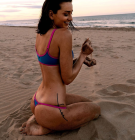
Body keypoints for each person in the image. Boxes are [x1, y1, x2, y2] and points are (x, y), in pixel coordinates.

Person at [20, 0, 101, 136]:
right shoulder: (63, 34)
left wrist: (79, 60)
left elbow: (53, 65)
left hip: (37, 100)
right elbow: (67, 78)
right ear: (51, 14)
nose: (70, 18)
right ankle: (42, 128)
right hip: (52, 107)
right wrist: (83, 55)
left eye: (71, 13)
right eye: (66, 14)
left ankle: (38, 118)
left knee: (87, 103)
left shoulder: (41, 33)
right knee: (96, 109)